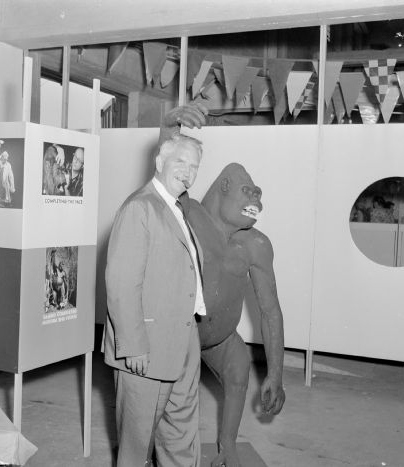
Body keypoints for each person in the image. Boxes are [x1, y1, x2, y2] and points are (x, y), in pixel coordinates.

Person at [157, 108, 286, 467]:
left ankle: (227, 445)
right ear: (225, 187)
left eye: (258, 194)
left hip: (218, 340)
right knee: (170, 401)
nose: (256, 201)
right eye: (248, 191)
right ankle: (159, 447)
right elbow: (164, 171)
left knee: (239, 362)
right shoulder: (189, 213)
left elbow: (270, 310)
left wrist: (275, 374)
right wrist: (169, 123)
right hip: (181, 333)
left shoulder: (255, 244)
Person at [103, 103, 208, 467]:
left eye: (195, 167)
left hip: (182, 340)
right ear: (160, 161)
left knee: (181, 434)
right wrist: (132, 345)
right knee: (137, 444)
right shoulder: (139, 208)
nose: (189, 173)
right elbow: (121, 284)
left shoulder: (176, 208)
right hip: (144, 348)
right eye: (181, 163)